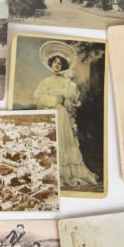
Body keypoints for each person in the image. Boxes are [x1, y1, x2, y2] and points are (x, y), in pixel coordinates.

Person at [33, 42, 99, 187]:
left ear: (63, 66)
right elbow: (37, 98)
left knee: (63, 144)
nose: (57, 65)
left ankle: (65, 174)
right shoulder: (45, 82)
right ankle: (48, 172)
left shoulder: (68, 83)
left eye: (60, 63)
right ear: (51, 64)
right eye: (55, 62)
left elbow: (72, 103)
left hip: (61, 116)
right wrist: (51, 100)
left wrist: (65, 96)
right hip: (48, 115)